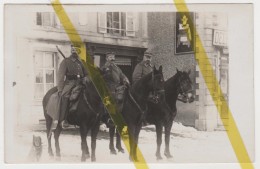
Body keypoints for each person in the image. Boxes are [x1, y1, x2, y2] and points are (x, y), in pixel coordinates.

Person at [57, 43, 88, 128]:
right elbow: (60, 76)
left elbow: (87, 74)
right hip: (70, 83)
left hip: (80, 83)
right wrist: (60, 89)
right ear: (71, 50)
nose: (74, 51)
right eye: (73, 49)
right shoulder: (66, 61)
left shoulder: (81, 62)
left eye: (76, 49)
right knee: (65, 96)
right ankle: (64, 119)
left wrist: (85, 78)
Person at [101, 52, 130, 125]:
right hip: (108, 87)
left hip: (117, 87)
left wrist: (125, 80)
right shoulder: (104, 67)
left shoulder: (117, 68)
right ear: (107, 58)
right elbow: (102, 76)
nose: (112, 59)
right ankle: (109, 117)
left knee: (125, 96)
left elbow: (122, 75)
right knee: (112, 99)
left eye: (113, 57)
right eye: (110, 57)